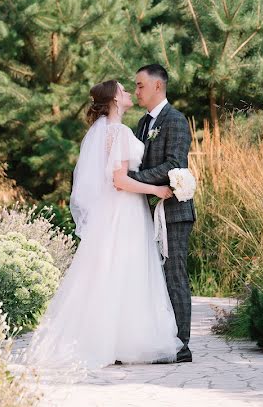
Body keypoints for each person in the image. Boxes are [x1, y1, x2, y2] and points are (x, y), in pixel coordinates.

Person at [23, 80, 182, 368]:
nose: (129, 93)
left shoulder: (105, 132)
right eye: (123, 90)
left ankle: (110, 339)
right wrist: (156, 190)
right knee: (124, 270)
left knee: (111, 270)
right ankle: (120, 341)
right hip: (125, 210)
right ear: (113, 100)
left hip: (116, 211)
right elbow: (119, 180)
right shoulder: (118, 131)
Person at [129, 63, 196, 363]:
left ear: (158, 86)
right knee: (151, 278)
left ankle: (181, 345)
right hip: (145, 211)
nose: (136, 91)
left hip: (174, 211)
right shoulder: (141, 125)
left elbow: (173, 165)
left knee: (175, 276)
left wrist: (133, 182)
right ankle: (159, 339)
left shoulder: (176, 120)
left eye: (140, 85)